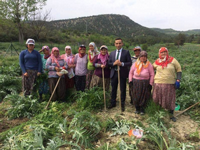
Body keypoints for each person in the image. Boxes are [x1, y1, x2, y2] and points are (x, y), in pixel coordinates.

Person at [153, 47, 182, 122]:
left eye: (165, 52)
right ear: (159, 53)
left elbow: (179, 70)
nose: (163, 53)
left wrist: (178, 80)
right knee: (157, 98)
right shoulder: (156, 61)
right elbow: (151, 69)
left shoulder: (173, 60)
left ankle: (171, 115)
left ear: (167, 52)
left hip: (170, 84)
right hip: (158, 83)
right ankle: (158, 113)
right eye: (162, 52)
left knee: (170, 99)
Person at [108, 38, 132, 111]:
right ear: (115, 44)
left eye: (119, 43)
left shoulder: (126, 52)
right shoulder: (112, 53)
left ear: (122, 44)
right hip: (114, 73)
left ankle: (122, 104)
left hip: (122, 73)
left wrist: (122, 64)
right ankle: (113, 103)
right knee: (113, 89)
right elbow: (109, 63)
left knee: (122, 89)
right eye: (116, 43)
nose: (118, 45)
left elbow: (129, 63)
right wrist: (114, 63)